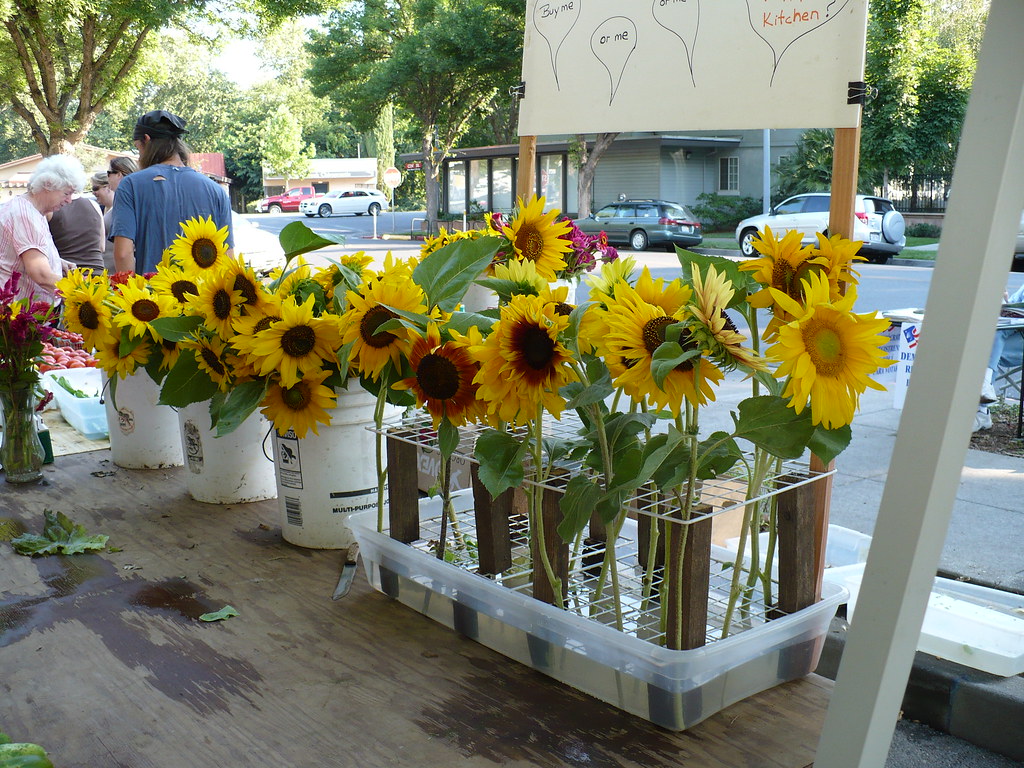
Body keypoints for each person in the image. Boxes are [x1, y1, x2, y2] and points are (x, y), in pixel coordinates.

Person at [110, 110, 232, 274]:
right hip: (203, 297)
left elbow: (123, 254)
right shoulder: (215, 190)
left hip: (151, 296)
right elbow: (228, 256)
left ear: (146, 139)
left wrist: (129, 294)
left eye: (138, 148)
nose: (139, 156)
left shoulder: (130, 185)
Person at [0, 154, 86, 304]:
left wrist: (58, 262)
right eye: (66, 193)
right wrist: (84, 293)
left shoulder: (34, 211)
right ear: (48, 185)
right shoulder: (25, 216)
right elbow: (41, 274)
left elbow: (25, 253)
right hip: (20, 316)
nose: (69, 200)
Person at [974, 283, 1024, 432]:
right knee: (981, 346)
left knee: (990, 343)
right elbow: (1013, 309)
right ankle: (981, 407)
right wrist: (1005, 301)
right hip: (1015, 339)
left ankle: (981, 409)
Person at [93, 156, 138, 271]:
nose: (107, 179)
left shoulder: (126, 203)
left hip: (120, 273)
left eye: (109, 173)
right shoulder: (120, 203)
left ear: (119, 174)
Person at [47, 189, 105, 271]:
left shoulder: (50, 209)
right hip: (97, 273)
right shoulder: (94, 204)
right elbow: (101, 247)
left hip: (66, 275)